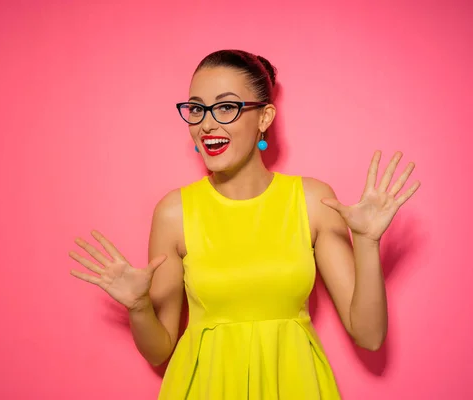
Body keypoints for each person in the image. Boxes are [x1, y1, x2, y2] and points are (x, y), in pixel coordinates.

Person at [69, 49, 420, 399]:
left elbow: (369, 336)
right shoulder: (173, 212)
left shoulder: (313, 201)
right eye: (196, 109)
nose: (207, 124)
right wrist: (139, 306)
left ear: (265, 117)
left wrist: (368, 242)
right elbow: (159, 350)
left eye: (226, 107)